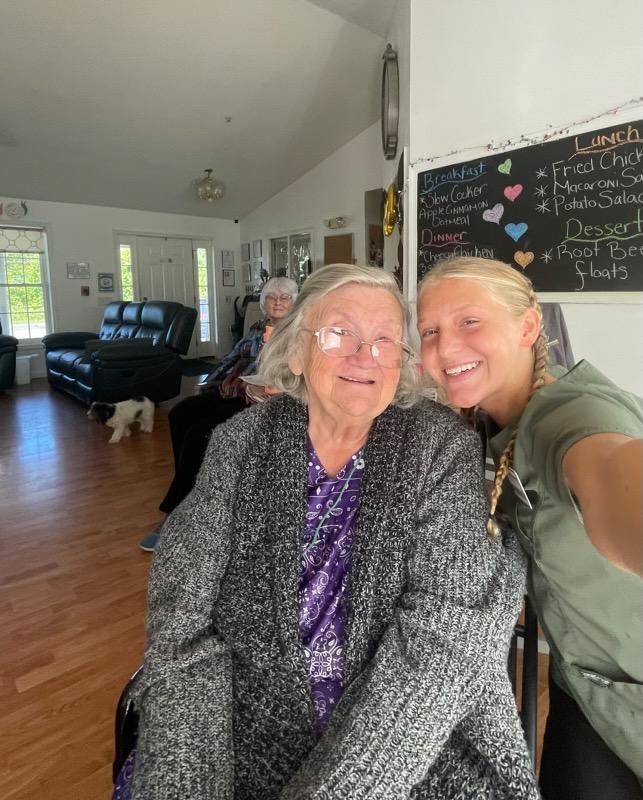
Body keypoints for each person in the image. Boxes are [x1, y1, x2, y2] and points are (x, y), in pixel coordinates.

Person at [116, 264, 539, 799]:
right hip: (245, 736)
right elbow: (183, 632)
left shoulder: (438, 447)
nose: (367, 356)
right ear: (296, 351)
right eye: (340, 333)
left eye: (387, 339)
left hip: (414, 752)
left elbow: (440, 649)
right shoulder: (238, 444)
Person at [417, 256, 643, 800]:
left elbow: (614, 473)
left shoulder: (569, 414)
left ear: (528, 326)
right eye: (429, 330)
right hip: (587, 694)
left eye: (470, 321)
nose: (446, 348)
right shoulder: (490, 422)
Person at [138, 276, 297, 551]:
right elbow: (231, 359)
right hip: (233, 391)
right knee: (179, 414)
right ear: (264, 303)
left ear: (295, 302)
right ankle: (190, 489)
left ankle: (176, 513)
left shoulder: (298, 333)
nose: (278, 302)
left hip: (260, 400)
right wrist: (208, 384)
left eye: (285, 297)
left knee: (199, 434)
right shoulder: (257, 328)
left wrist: (253, 384)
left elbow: (291, 375)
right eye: (272, 297)